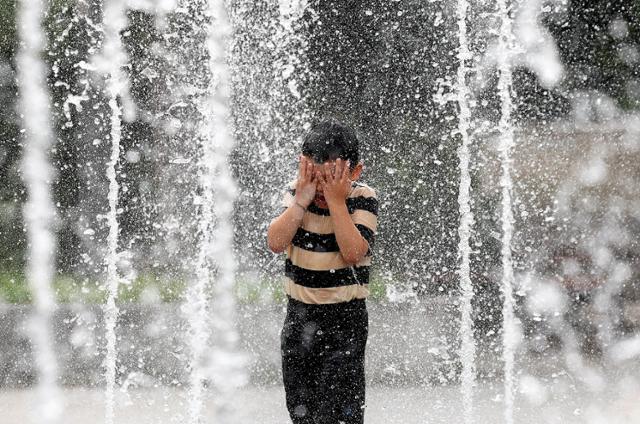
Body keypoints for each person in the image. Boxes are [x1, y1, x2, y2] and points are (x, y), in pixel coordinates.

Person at [267, 119, 378, 424]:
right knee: (302, 409)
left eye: (332, 179)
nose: (322, 189)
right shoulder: (297, 196)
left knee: (340, 410)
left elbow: (354, 253)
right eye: (317, 178)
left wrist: (337, 203)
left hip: (345, 321)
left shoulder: (362, 198)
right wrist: (301, 201)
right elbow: (276, 242)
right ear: (304, 166)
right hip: (299, 316)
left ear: (354, 173)